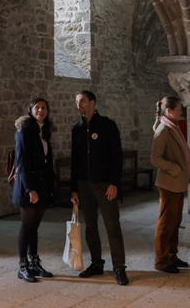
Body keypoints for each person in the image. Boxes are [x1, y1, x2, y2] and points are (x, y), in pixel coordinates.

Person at [70, 90, 128, 286]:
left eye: (82, 101)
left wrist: (114, 183)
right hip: (84, 185)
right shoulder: (77, 129)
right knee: (91, 227)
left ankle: (119, 268)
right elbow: (75, 161)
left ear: (92, 103)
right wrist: (74, 189)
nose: (79, 104)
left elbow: (117, 157)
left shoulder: (107, 125)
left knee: (112, 226)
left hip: (105, 184)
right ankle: (96, 264)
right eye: (77, 101)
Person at [12, 97, 56, 283]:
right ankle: (22, 266)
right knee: (27, 225)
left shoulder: (43, 131)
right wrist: (30, 189)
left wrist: (50, 186)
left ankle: (34, 262)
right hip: (27, 185)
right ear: (30, 110)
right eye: (36, 107)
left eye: (44, 107)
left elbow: (47, 161)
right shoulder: (24, 131)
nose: (40, 110)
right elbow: (22, 163)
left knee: (35, 226)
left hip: (42, 184)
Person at [151, 96, 190, 274]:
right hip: (169, 182)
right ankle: (161, 261)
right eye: (179, 109)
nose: (181, 112)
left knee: (175, 221)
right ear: (169, 111)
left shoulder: (173, 127)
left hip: (177, 182)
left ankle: (172, 255)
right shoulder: (163, 130)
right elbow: (155, 158)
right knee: (166, 222)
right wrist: (175, 169)